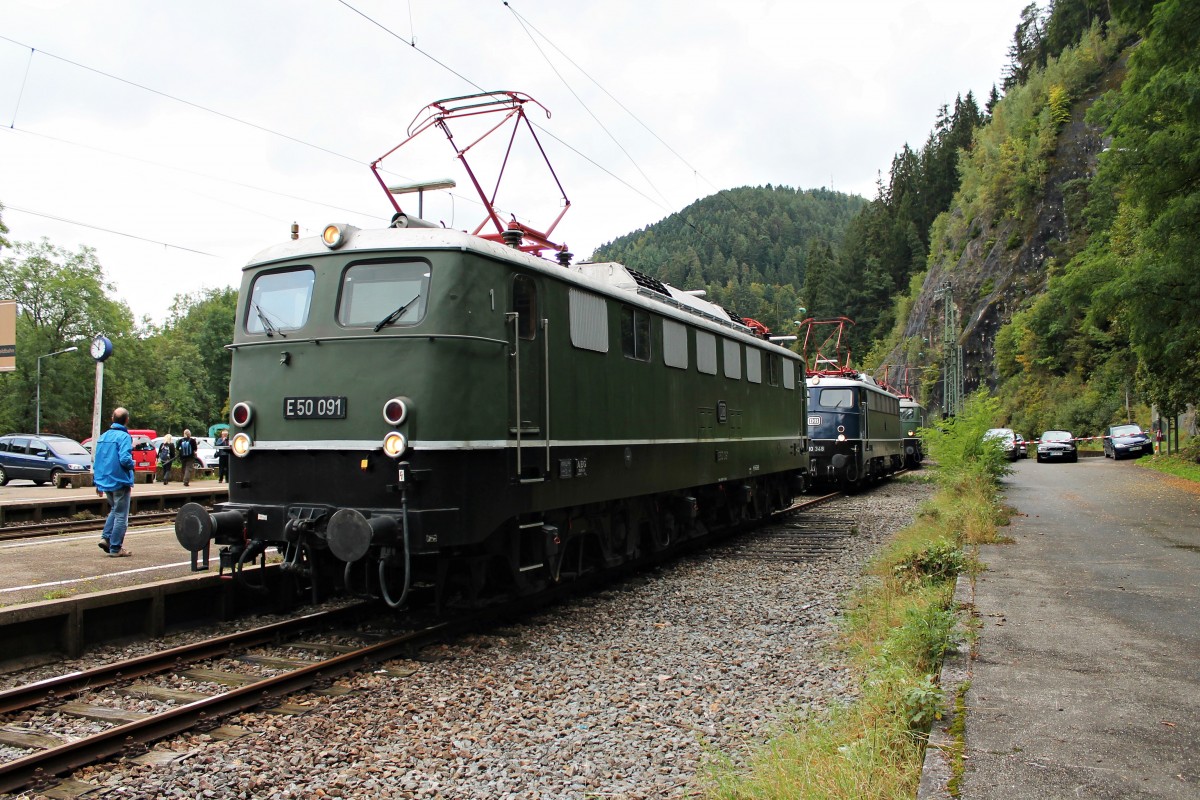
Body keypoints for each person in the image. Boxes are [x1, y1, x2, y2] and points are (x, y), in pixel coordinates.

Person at [94, 407, 135, 557]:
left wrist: (97, 483)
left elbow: (98, 461)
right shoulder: (124, 437)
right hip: (120, 480)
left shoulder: (103, 437)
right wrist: (133, 464)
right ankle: (116, 548)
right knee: (121, 516)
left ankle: (106, 538)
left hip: (106, 481)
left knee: (114, 510)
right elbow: (125, 459)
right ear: (126, 420)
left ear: (112, 419)